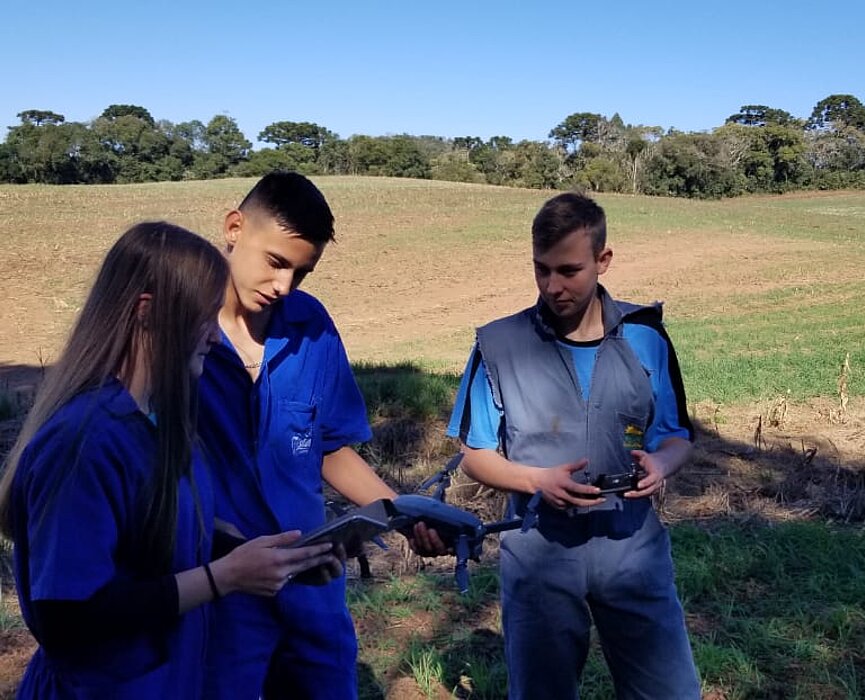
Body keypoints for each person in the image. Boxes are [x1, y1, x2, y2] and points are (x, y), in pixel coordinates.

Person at [0, 222, 341, 699]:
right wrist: (223, 577)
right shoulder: (84, 443)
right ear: (149, 313)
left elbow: (163, 541)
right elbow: (67, 615)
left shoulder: (163, 425)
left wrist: (276, 559)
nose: (216, 338)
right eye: (204, 318)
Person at [197, 171, 442, 700]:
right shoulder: (178, 331)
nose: (284, 287)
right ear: (235, 227)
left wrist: (400, 512)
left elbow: (329, 446)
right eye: (277, 263)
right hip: (216, 596)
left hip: (311, 587)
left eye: (302, 273)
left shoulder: (310, 324)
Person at [447, 192, 701, 699]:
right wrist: (535, 480)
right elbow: (475, 455)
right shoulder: (499, 345)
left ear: (603, 261)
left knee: (670, 691)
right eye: (541, 270)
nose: (553, 286)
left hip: (633, 545)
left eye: (569, 270)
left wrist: (661, 464)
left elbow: (676, 437)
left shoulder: (646, 335)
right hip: (539, 546)